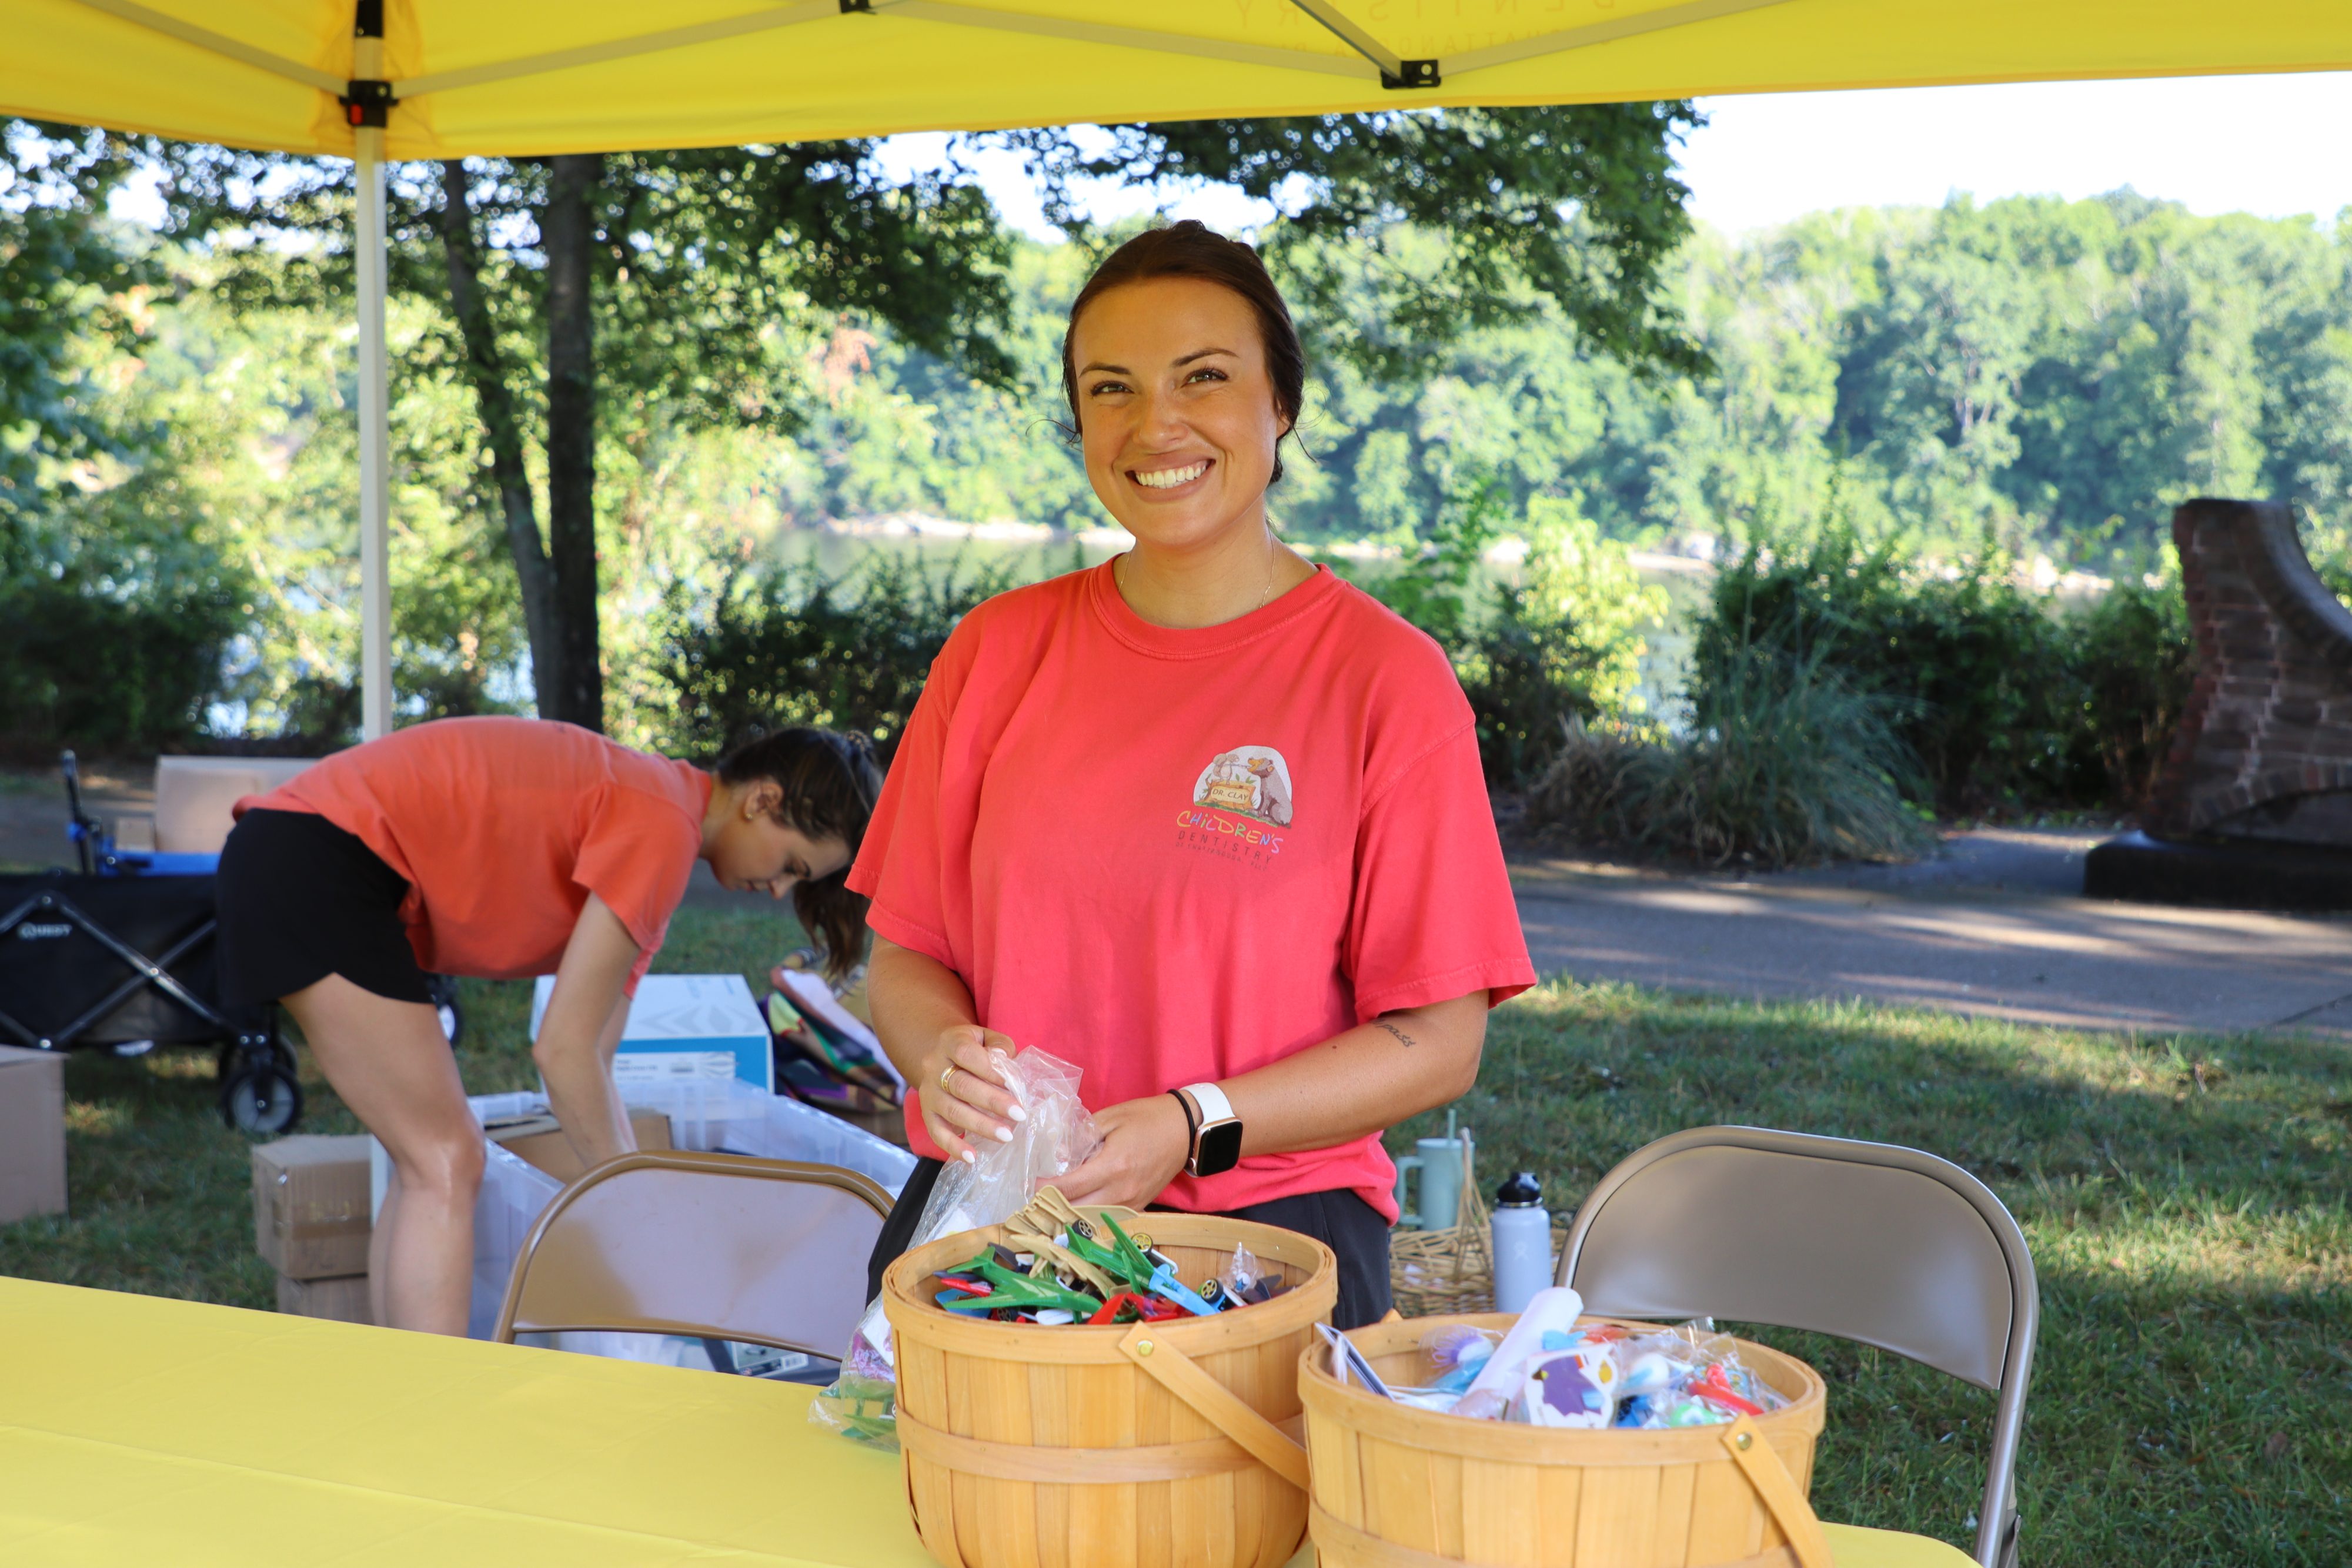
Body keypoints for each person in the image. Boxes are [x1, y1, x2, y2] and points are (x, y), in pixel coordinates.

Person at [853, 222, 1535, 1327]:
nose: (1154, 424)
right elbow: (910, 952)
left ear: (1281, 405)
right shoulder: (994, 652)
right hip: (999, 1221)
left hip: (1265, 1241)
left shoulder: (1385, 681)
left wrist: (1191, 1120)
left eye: (1203, 378)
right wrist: (941, 1055)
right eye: (1110, 388)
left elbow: (1437, 1040)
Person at [215, 717, 880, 1335]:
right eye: (792, 865)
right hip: (320, 858)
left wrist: (638, 1192)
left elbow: (592, 1056)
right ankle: (431, 1417)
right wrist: (644, 1208)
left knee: (427, 1160)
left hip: (304, 856)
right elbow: (561, 1052)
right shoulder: (660, 822)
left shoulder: (660, 820)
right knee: (446, 1160)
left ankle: (405, 1392)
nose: (778, 890)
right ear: (762, 800)